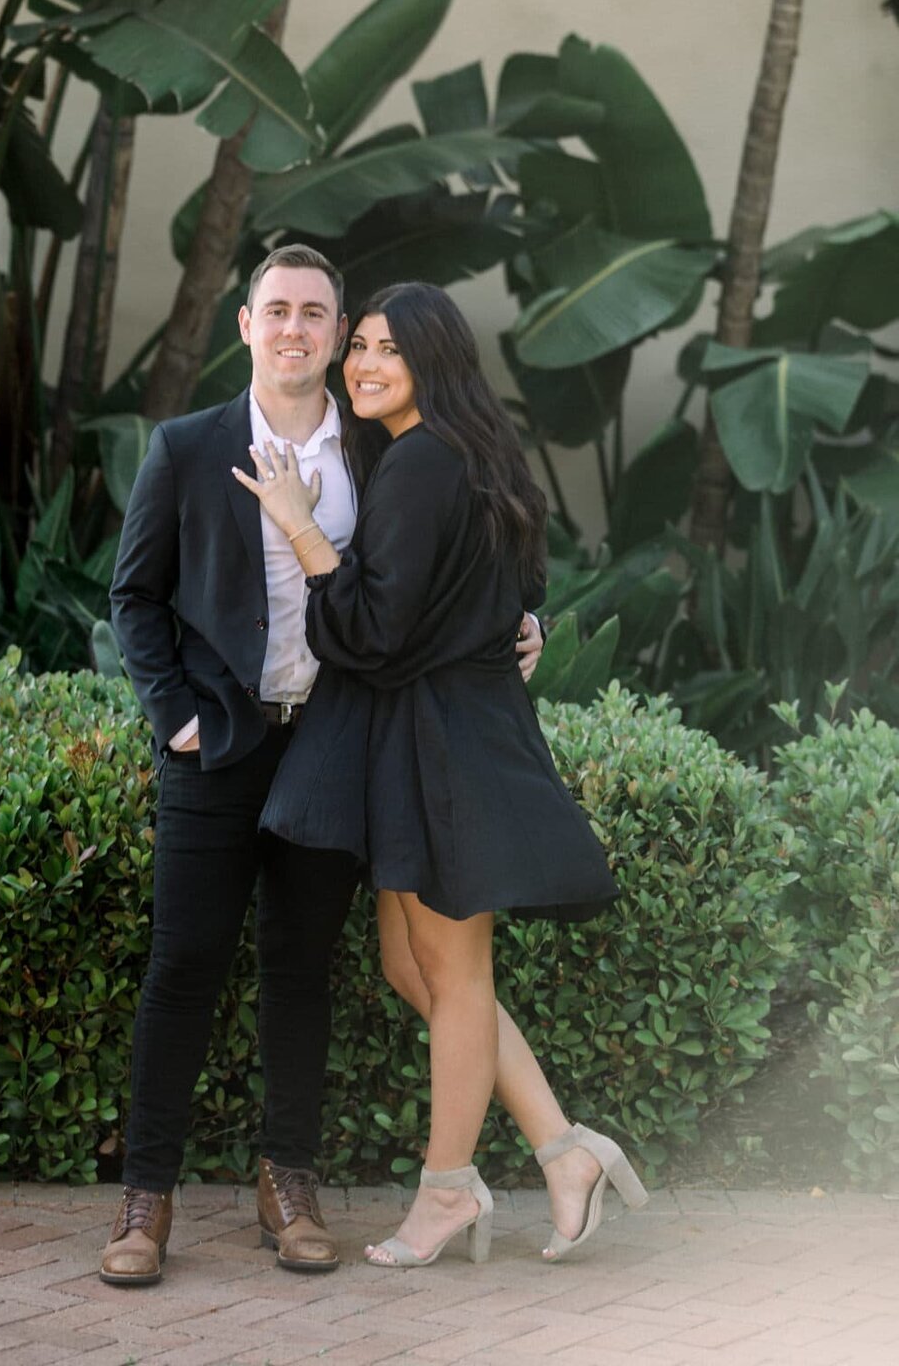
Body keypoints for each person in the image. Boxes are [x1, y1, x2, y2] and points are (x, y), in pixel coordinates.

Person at [103, 247, 545, 1286]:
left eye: (318, 314)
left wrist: (529, 616)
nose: (298, 329)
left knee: (301, 972)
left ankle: (287, 1186)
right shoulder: (185, 446)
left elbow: (485, 541)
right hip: (218, 749)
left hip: (338, 747)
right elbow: (134, 598)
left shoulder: (386, 452)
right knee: (182, 970)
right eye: (278, 311)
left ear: (339, 332)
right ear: (247, 326)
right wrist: (175, 716)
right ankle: (144, 1200)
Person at [233, 281, 647, 1271]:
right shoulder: (463, 456)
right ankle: (564, 1149)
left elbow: (370, 631)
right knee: (411, 967)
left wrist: (298, 524)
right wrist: (523, 622)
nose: (365, 363)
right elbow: (512, 587)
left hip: (440, 744)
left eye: (389, 350)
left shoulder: (420, 464)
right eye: (360, 346)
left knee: (453, 975)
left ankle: (448, 1188)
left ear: (433, 362)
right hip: (440, 733)